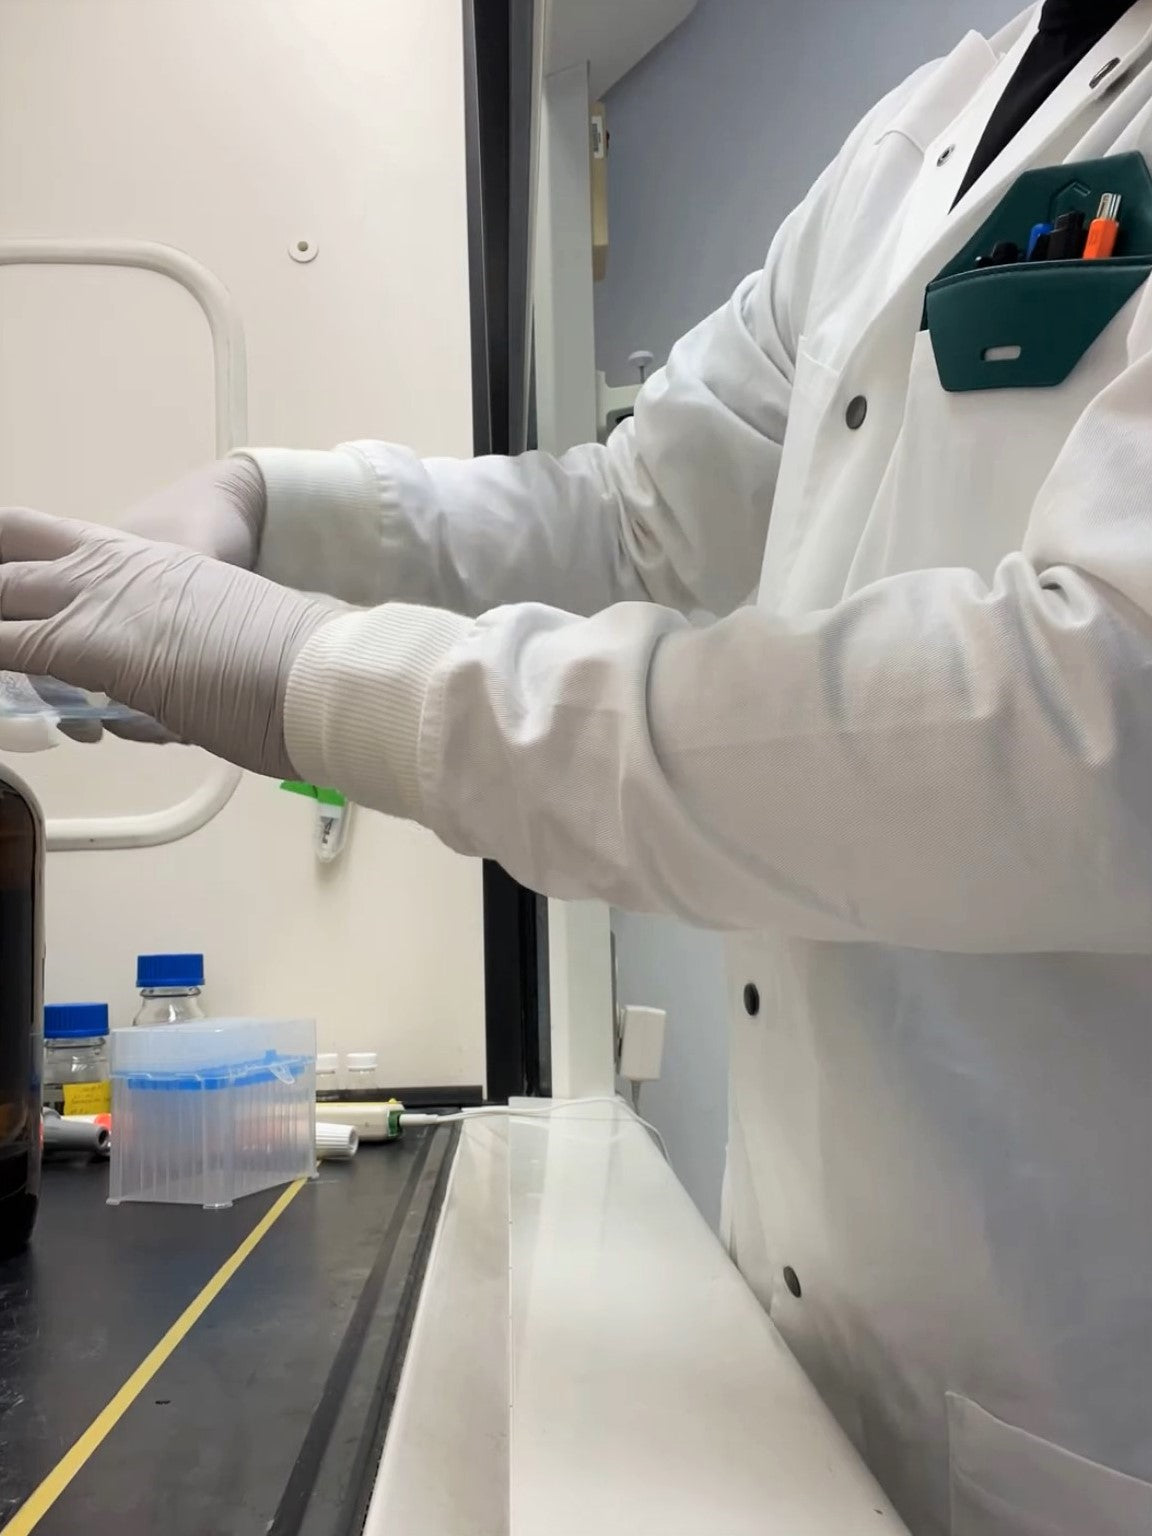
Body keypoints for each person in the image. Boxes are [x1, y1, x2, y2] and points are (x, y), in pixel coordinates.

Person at [2, 0, 1152, 1529]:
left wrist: (302, 671)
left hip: (1089, 1391)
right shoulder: (935, 115)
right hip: (817, 1335)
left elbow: (1086, 726)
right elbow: (638, 515)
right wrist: (267, 509)